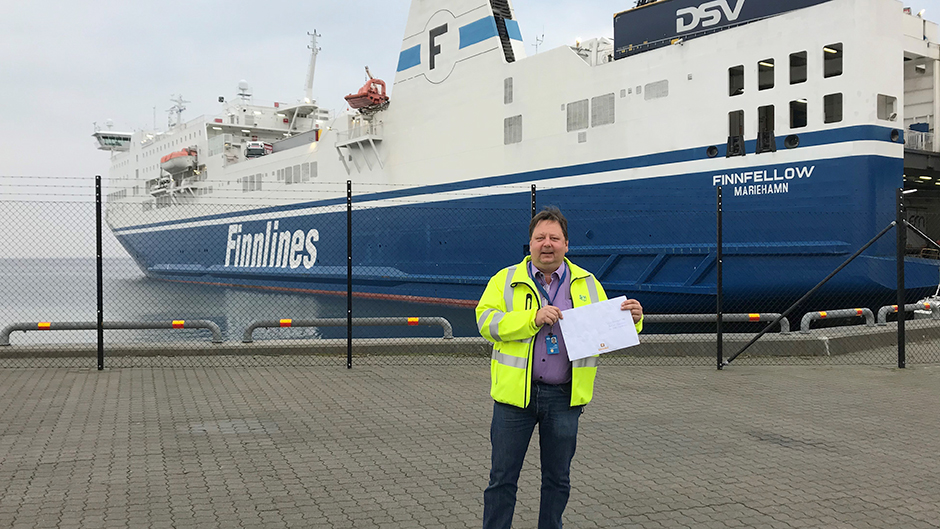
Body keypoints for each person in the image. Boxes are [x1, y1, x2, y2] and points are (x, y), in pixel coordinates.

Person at [476, 206, 644, 529]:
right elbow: (485, 321)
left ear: (567, 244)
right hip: (514, 401)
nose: (547, 244)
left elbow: (607, 331)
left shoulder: (588, 283)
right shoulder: (505, 280)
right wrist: (531, 319)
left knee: (558, 480)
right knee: (501, 480)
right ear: (530, 244)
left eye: (554, 237)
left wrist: (633, 321)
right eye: (540, 238)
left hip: (564, 399)